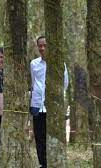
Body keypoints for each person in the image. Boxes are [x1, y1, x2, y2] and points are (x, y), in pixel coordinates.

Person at [30, 36, 69, 168]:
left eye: (45, 45)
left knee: (51, 136)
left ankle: (52, 162)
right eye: (40, 45)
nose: (42, 48)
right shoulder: (34, 64)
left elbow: (65, 84)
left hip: (52, 107)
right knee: (39, 137)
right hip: (36, 105)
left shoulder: (59, 63)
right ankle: (42, 164)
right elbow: (33, 83)